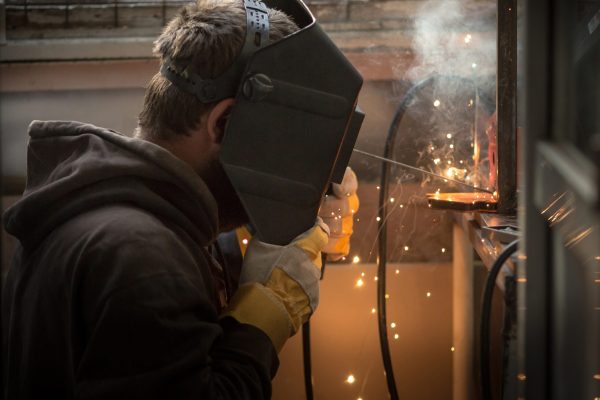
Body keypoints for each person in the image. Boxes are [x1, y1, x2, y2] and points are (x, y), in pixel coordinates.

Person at [0, 0, 363, 398]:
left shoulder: (101, 204)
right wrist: (264, 320)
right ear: (225, 124)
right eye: (285, 149)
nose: (292, 169)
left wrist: (281, 223)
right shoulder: (144, 261)